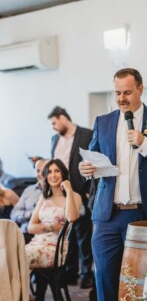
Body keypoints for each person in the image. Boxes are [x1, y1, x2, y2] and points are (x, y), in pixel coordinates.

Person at [79, 67, 147, 301]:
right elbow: (94, 157)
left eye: (127, 92)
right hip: (107, 216)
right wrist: (86, 169)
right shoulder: (103, 122)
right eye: (117, 93)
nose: (122, 98)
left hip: (144, 215)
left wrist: (145, 142)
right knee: (104, 278)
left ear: (140, 89)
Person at [26, 159, 82, 301]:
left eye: (57, 171)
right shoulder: (44, 198)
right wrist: (51, 226)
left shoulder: (74, 196)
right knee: (10, 257)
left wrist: (69, 190)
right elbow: (31, 227)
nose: (53, 175)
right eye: (49, 172)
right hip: (37, 243)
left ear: (63, 173)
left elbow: (72, 217)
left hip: (55, 248)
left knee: (19, 256)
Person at [48, 106, 94, 288]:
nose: (53, 127)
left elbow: (92, 161)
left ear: (63, 118)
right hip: (61, 192)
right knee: (68, 235)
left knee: (83, 235)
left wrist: (90, 189)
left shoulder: (86, 134)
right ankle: (69, 273)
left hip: (81, 190)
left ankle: (86, 275)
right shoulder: (54, 139)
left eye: (54, 123)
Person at [11, 158, 48, 243]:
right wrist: (31, 214)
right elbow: (14, 214)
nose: (40, 174)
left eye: (43, 171)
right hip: (24, 233)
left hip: (43, 235)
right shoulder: (29, 190)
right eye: (37, 171)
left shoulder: (56, 191)